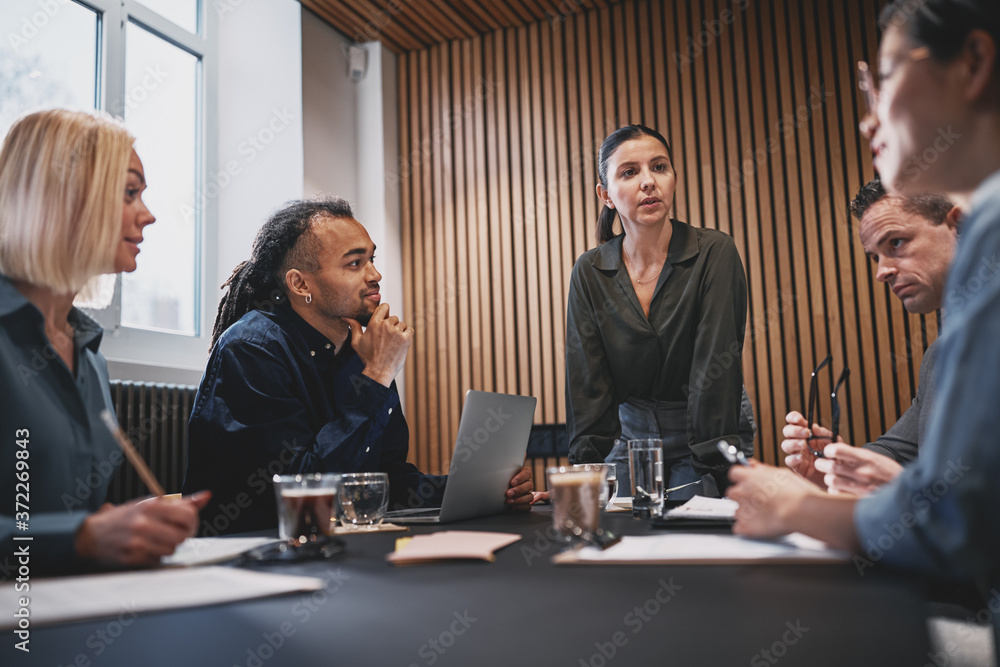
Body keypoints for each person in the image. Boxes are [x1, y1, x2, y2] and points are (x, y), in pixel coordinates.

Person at [726, 0, 1000, 650]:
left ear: (974, 62)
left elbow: (957, 521)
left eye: (884, 75)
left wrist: (795, 504)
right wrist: (834, 462)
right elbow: (908, 456)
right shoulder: (944, 346)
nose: (867, 116)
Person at [183, 198, 534, 535]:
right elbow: (307, 491)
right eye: (355, 263)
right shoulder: (251, 350)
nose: (375, 275)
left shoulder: (361, 353)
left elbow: (387, 481)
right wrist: (378, 375)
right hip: (258, 561)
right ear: (300, 283)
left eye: (372, 260)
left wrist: (482, 492)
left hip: (334, 551)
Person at [0, 109, 209, 572]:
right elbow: (72, 533)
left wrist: (127, 526)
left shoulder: (90, 356)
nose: (149, 215)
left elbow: (74, 521)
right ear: (63, 197)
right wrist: (82, 537)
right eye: (130, 192)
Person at [564, 124, 755, 500]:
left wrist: (714, 474)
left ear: (674, 178)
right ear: (605, 195)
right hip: (628, 433)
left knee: (697, 540)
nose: (648, 182)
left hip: (705, 428)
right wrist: (585, 476)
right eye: (630, 172)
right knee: (619, 541)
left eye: (659, 167)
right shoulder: (589, 271)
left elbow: (714, 371)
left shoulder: (715, 251)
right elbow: (588, 383)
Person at [782, 177, 959, 496]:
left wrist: (902, 486)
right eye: (875, 257)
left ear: (957, 227)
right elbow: (896, 453)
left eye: (897, 243)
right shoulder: (938, 357)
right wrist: (837, 466)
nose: (882, 271)